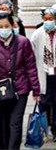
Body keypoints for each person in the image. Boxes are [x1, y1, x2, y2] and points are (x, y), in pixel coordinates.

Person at [0, 13, 40, 150]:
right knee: (4, 124)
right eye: (1, 27)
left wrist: (36, 90)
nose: (4, 29)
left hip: (20, 89)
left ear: (12, 26)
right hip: (1, 91)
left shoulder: (23, 42)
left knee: (15, 123)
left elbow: (31, 67)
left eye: (7, 26)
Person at [31, 8, 56, 142]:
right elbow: (32, 56)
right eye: (45, 19)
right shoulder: (37, 34)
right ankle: (42, 130)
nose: (48, 22)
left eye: (51, 19)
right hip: (43, 73)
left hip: (55, 73)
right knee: (44, 102)